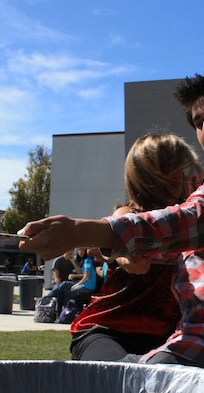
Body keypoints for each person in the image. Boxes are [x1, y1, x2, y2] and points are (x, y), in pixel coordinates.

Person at [19, 71, 204, 389]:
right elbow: (189, 233)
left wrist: (87, 231)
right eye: (198, 122)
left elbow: (201, 217)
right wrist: (120, 248)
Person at [70, 133, 196, 361]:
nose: (180, 175)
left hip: (168, 336)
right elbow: (120, 229)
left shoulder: (189, 221)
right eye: (171, 168)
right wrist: (125, 257)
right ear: (148, 175)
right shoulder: (130, 214)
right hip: (108, 329)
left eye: (180, 167)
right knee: (114, 377)